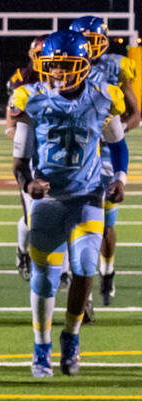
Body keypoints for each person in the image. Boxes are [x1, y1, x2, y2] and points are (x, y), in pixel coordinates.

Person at [12, 31, 127, 377]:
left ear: (82, 66)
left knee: (85, 267)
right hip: (48, 200)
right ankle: (41, 345)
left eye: (65, 66)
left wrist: (120, 177)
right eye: (53, 67)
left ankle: (71, 337)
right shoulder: (31, 99)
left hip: (88, 196)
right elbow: (20, 160)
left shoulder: (103, 97)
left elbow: (118, 144)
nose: (58, 73)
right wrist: (28, 183)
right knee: (45, 280)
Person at [70, 15, 140, 308]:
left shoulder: (115, 67)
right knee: (72, 215)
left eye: (94, 40)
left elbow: (134, 112)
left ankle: (107, 269)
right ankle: (76, 281)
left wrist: (115, 131)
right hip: (74, 150)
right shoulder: (64, 66)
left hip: (107, 150)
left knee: (106, 221)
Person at [7, 36, 46, 282]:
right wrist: (12, 128)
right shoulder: (24, 80)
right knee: (34, 219)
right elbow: (14, 109)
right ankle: (24, 251)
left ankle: (66, 274)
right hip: (34, 156)